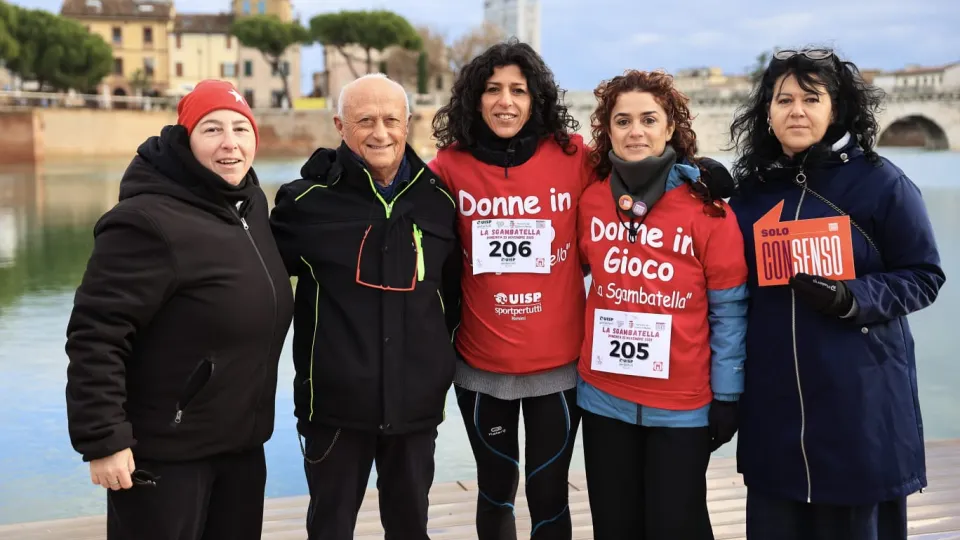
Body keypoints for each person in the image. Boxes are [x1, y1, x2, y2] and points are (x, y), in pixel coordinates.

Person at [727, 47, 946, 540]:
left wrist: (853, 298)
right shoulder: (751, 192)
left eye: (811, 98)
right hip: (773, 410)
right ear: (767, 112)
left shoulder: (881, 182)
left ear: (836, 108)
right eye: (783, 100)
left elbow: (924, 275)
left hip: (859, 407)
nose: (797, 110)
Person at [64, 80, 295, 540]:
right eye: (212, 129)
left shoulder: (248, 205)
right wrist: (104, 440)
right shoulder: (146, 221)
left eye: (240, 129)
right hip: (165, 456)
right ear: (185, 138)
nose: (230, 143)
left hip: (241, 448)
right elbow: (96, 335)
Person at [268, 73, 459, 540]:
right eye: (365, 120)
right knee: (330, 528)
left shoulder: (439, 201)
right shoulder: (303, 203)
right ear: (339, 124)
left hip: (416, 406)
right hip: (333, 406)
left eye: (392, 119)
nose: (380, 133)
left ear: (409, 123)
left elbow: (451, 297)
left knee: (411, 527)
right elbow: (257, 285)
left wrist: (435, 365)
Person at [427, 39, 590, 539]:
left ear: (536, 99)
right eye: (493, 89)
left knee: (548, 493)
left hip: (559, 369)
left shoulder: (574, 156)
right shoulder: (448, 167)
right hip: (481, 368)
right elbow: (393, 204)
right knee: (496, 488)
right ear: (474, 98)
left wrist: (693, 171)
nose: (506, 101)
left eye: (519, 90)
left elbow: (640, 174)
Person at [576, 69, 748, 539]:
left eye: (649, 120)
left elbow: (728, 310)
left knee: (677, 526)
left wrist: (728, 396)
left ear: (670, 128)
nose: (636, 132)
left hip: (681, 406)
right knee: (614, 527)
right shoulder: (591, 200)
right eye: (623, 121)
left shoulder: (707, 208)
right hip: (604, 399)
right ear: (606, 129)